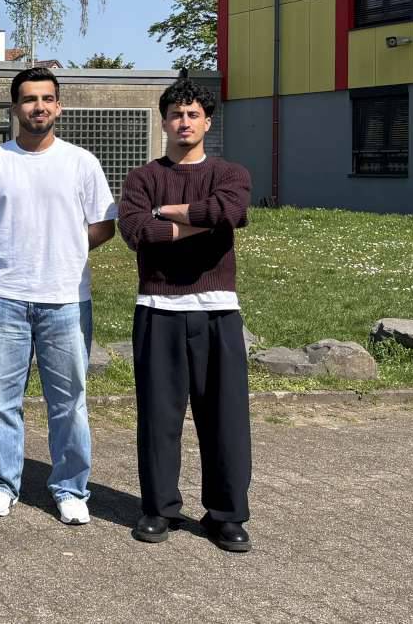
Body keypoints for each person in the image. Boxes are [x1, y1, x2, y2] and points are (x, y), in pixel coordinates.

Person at [0, 66, 116, 526]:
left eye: (47, 99)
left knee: (69, 401)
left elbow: (104, 225)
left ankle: (70, 488)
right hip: (4, 296)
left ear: (58, 107)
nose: (38, 107)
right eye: (29, 99)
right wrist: (1, 248)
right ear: (15, 108)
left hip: (66, 298)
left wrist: (66, 252)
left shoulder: (81, 163)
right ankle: (1, 484)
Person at [116, 75, 253, 552]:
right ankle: (159, 509)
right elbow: (136, 232)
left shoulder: (231, 173)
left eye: (194, 114)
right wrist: (202, 221)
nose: (184, 122)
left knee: (225, 420)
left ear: (207, 121)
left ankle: (227, 516)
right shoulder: (142, 178)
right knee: (159, 419)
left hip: (218, 310)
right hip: (158, 308)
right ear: (164, 122)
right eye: (176, 114)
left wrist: (166, 212)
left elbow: (229, 212)